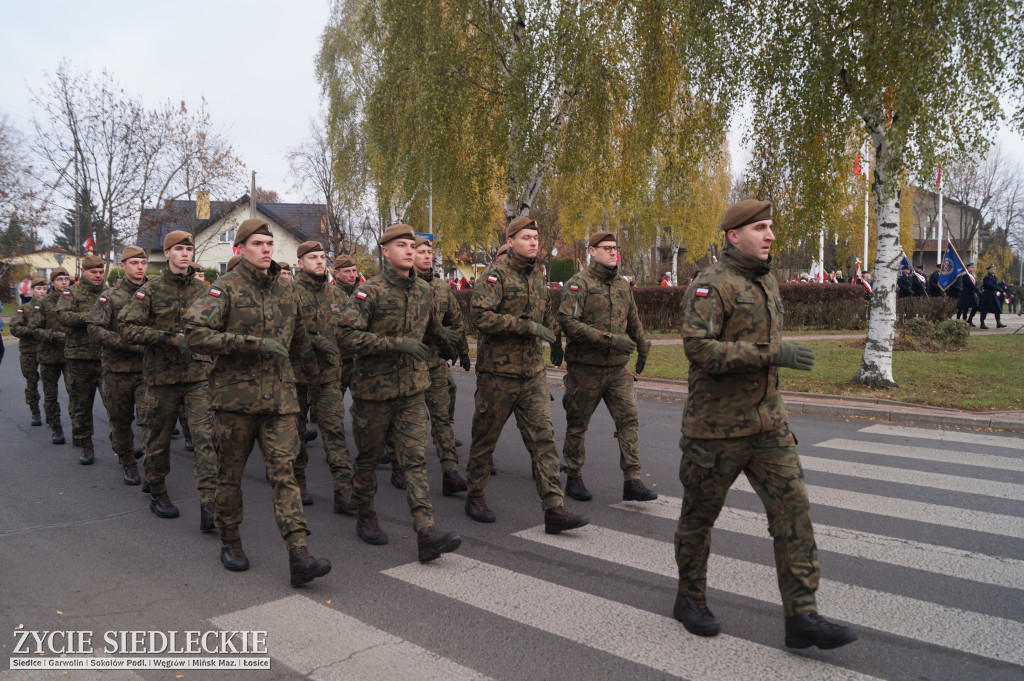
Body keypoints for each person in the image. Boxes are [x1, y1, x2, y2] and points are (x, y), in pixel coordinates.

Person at [673, 199, 857, 650]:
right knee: (699, 518)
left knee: (794, 513)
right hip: (716, 429)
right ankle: (689, 597)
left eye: (771, 227)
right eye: (760, 228)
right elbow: (699, 351)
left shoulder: (768, 281)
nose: (770, 235)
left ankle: (802, 616)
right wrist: (771, 354)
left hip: (769, 426)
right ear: (734, 236)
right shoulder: (710, 286)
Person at [183, 220, 331, 585]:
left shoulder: (286, 290)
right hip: (235, 402)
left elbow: (299, 342)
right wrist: (251, 343)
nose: (267, 249)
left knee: (286, 476)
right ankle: (230, 540)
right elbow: (195, 333)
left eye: (269, 243)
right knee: (229, 477)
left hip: (280, 401)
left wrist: (316, 381)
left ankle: (299, 553)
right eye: (258, 243)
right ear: (240, 249)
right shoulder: (225, 288)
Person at [335, 223, 462, 563]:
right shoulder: (369, 292)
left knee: (414, 460)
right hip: (374, 394)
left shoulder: (424, 291)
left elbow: (433, 328)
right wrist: (395, 344)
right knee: (367, 459)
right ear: (386, 252)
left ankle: (426, 531)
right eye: (401, 245)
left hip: (411, 391)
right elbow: (345, 336)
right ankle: (366, 513)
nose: (409, 250)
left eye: (412, 245)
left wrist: (451, 343)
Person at [464, 215, 589, 534]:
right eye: (526, 237)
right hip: (498, 374)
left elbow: (546, 316)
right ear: (510, 241)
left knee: (544, 439)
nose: (534, 242)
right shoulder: (495, 275)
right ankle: (475, 495)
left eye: (536, 237)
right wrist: (525, 327)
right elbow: (480, 317)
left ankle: (554, 508)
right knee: (485, 440)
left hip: (532, 373)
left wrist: (556, 339)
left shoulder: (538, 276)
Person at [119, 231, 218, 529]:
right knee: (157, 439)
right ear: (167, 254)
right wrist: (169, 339)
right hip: (161, 378)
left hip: (198, 376)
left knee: (205, 438)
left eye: (189, 248)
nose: (185, 253)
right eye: (179, 249)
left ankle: (209, 503)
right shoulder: (150, 290)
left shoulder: (205, 290)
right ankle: (157, 490)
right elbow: (126, 327)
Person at [557, 230, 657, 503]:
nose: (614, 252)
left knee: (629, 420)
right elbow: (568, 323)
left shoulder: (623, 285)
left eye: (615, 247)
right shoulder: (579, 284)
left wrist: (643, 345)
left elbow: (633, 319)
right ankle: (574, 477)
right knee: (578, 424)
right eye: (607, 247)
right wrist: (610, 340)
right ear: (592, 251)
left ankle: (633, 480)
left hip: (617, 370)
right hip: (585, 369)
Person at [291, 241, 357, 514]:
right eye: (312, 257)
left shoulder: (336, 295)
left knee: (334, 430)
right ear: (300, 263)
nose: (319, 261)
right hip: (294, 376)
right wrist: (314, 342)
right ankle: (298, 483)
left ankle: (344, 491)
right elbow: (279, 331)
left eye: (322, 257)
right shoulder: (287, 292)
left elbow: (347, 329)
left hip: (328, 374)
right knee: (294, 435)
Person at [409, 235, 471, 495]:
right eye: (421, 251)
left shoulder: (442, 287)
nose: (426, 256)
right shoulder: (400, 287)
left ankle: (450, 471)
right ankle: (403, 467)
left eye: (429, 251)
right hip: (406, 366)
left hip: (434, 363)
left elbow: (456, 320)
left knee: (441, 418)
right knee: (410, 423)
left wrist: (463, 351)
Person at [87, 246, 149, 485]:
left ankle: (150, 463)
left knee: (150, 419)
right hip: (117, 371)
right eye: (134, 263)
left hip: (148, 371)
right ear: (122, 266)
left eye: (143, 263)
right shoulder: (110, 296)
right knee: (121, 421)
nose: (140, 267)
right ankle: (128, 463)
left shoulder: (154, 292)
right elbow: (94, 329)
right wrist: (126, 342)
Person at [56, 255, 107, 464]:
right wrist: (91, 316)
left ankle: (124, 448)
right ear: (84, 272)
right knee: (82, 405)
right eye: (93, 272)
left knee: (116, 406)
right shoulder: (71, 293)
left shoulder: (109, 293)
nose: (98, 276)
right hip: (80, 358)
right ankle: (86, 445)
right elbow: (64, 317)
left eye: (101, 272)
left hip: (106, 357)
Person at [28, 268, 71, 444]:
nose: (64, 282)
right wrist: (55, 335)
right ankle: (56, 427)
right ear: (52, 283)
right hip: (49, 356)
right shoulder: (43, 303)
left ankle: (79, 430)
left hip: (71, 356)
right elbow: (33, 329)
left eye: (67, 279)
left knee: (75, 394)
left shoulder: (73, 299)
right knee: (51, 395)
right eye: (60, 279)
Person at [10, 278, 49, 426]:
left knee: (49, 385)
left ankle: (50, 413)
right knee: (32, 382)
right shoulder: (24, 309)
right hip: (29, 351)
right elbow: (14, 328)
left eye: (44, 289)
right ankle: (35, 412)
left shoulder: (51, 307)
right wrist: (31, 331)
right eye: (39, 289)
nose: (42, 292)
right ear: (32, 290)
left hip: (47, 351)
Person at [978, 264, 1007, 329]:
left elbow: (995, 286)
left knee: (997, 308)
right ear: (989, 270)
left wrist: (999, 290)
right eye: (993, 269)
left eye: (995, 269)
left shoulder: (994, 277)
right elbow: (990, 285)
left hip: (993, 295)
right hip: (987, 295)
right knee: (984, 310)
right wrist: (1000, 289)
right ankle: (982, 324)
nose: (995, 270)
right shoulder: (987, 277)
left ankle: (998, 323)